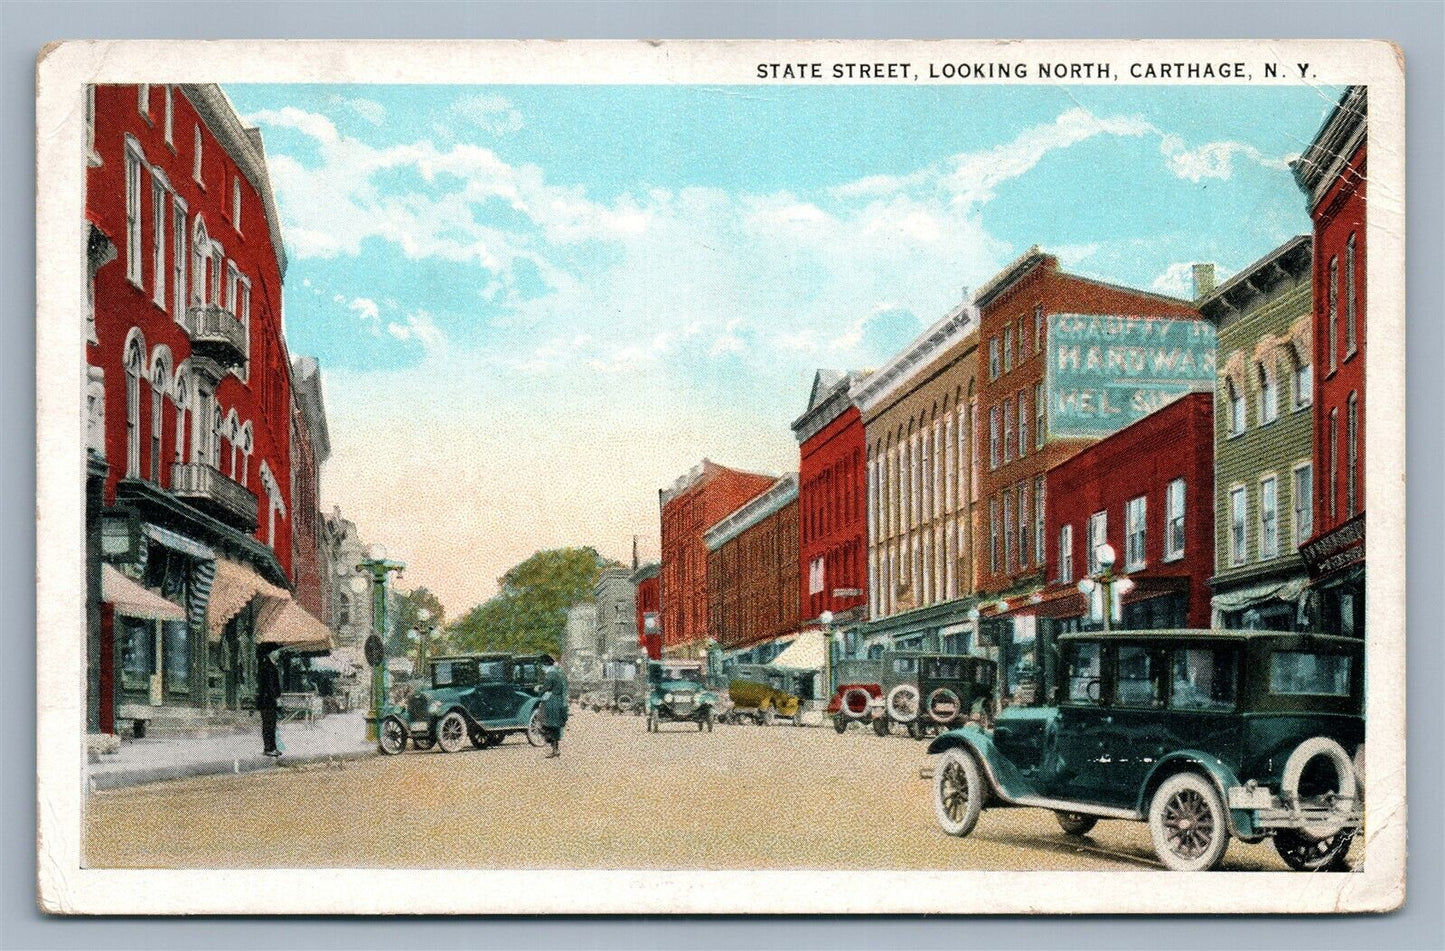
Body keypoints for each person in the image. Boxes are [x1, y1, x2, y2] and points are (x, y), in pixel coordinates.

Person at [538, 653, 568, 759]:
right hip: (557, 701)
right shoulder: (557, 673)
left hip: (552, 702)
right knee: (554, 726)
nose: (542, 667)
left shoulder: (550, 675)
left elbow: (546, 687)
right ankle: (555, 750)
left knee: (545, 723)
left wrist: (538, 690)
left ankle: (554, 749)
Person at [256, 643, 283, 758]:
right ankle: (269, 748)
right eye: (277, 651)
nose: (278, 653)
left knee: (271, 725)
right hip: (268, 700)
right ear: (271, 652)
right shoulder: (267, 666)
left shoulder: (269, 665)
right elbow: (270, 686)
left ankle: (272, 747)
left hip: (269, 700)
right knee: (268, 725)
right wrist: (276, 698)